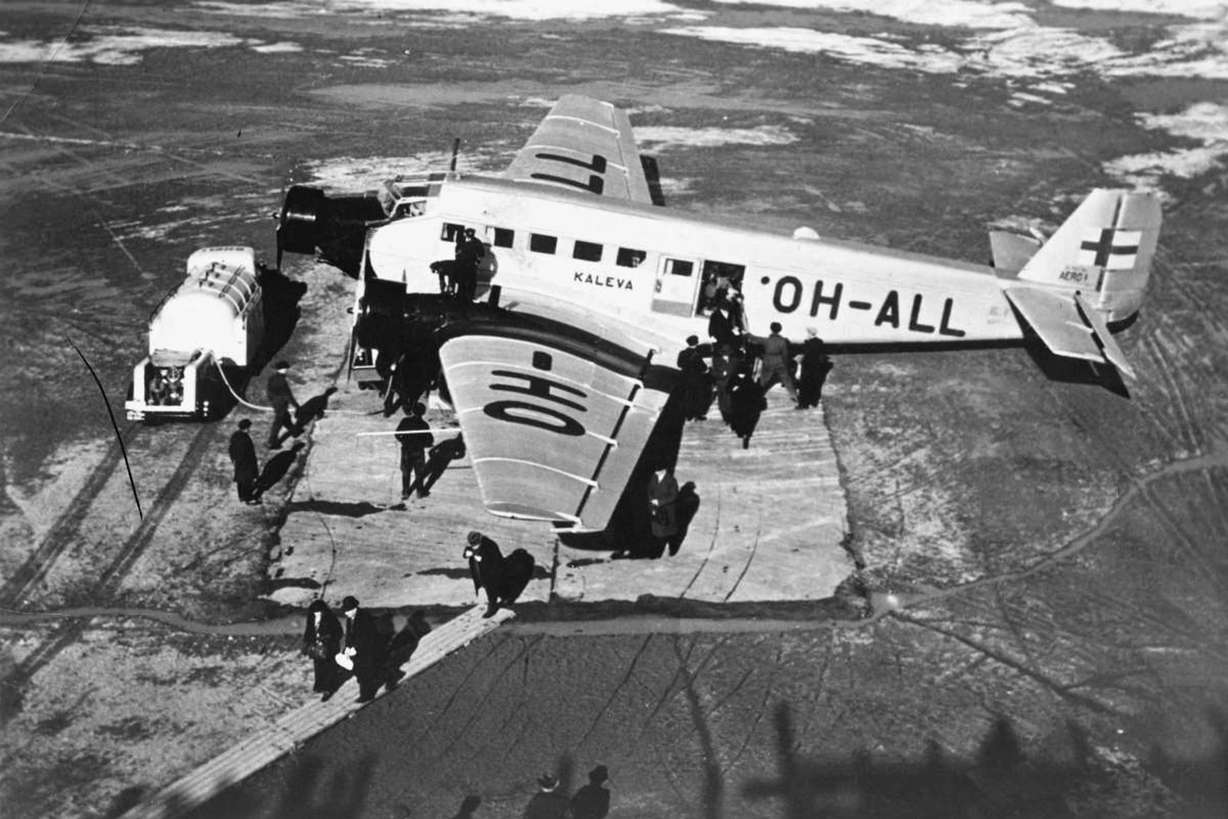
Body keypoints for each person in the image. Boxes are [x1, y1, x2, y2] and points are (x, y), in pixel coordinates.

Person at [341, 595, 391, 703]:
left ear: (354, 608)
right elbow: (349, 636)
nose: (346, 613)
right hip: (358, 651)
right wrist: (347, 648)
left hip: (367, 650)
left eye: (348, 610)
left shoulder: (364, 617)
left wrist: (356, 648)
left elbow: (367, 637)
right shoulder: (350, 619)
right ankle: (368, 690)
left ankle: (366, 695)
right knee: (361, 672)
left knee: (364, 673)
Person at [302, 599, 344, 700]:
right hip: (317, 648)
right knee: (318, 667)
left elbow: (339, 632)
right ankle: (319, 686)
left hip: (330, 648)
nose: (316, 614)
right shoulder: (311, 617)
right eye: (315, 612)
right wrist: (306, 643)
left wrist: (329, 638)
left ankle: (328, 688)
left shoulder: (330, 617)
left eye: (318, 612)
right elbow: (309, 631)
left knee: (329, 668)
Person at [396, 403, 434, 500]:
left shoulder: (405, 421)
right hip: (418, 451)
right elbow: (430, 440)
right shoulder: (424, 425)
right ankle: (419, 492)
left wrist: (404, 441)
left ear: (412, 411)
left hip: (406, 450)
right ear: (423, 413)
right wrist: (424, 444)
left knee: (406, 472)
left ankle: (405, 492)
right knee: (419, 473)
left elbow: (397, 434)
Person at [464, 530, 506, 617]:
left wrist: (482, 559)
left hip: (490, 572)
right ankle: (485, 604)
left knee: (491, 589)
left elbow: (496, 561)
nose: (473, 547)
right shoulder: (472, 542)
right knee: (481, 587)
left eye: (475, 546)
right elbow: (465, 554)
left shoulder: (490, 545)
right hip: (478, 571)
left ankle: (492, 609)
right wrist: (467, 554)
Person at [728, 365, 766, 449]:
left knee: (743, 422)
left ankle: (744, 433)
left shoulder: (736, 379)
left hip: (742, 406)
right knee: (748, 422)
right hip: (748, 406)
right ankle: (746, 434)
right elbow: (760, 391)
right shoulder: (750, 380)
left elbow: (728, 390)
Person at [757, 321, 797, 401]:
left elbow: (755, 340)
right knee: (786, 380)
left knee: (764, 380)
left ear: (771, 329)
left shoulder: (767, 340)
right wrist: (785, 363)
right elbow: (785, 354)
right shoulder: (783, 341)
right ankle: (793, 395)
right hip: (779, 361)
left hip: (768, 360)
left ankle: (758, 395)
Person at [266, 360, 301, 449]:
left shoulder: (272, 378)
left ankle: (295, 432)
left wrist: (273, 401)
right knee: (278, 423)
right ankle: (271, 442)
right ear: (284, 369)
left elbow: (269, 392)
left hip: (275, 403)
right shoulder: (282, 381)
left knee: (286, 418)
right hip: (281, 404)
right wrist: (296, 406)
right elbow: (288, 395)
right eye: (286, 369)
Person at [676, 335, 711, 421]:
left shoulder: (682, 353)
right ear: (696, 343)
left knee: (685, 396)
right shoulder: (697, 354)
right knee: (696, 397)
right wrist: (707, 369)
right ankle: (694, 414)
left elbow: (679, 364)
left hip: (684, 377)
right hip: (695, 378)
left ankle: (686, 414)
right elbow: (703, 368)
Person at [796, 327, 832, 409]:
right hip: (817, 368)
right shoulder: (820, 342)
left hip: (807, 368)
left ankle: (804, 404)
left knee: (805, 386)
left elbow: (805, 355)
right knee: (815, 385)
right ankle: (814, 401)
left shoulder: (807, 343)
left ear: (809, 333)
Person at [228, 418, 261, 504]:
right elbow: (247, 452)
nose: (250, 429)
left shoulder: (235, 435)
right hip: (246, 463)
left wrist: (233, 459)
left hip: (239, 463)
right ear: (246, 428)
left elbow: (231, 448)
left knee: (241, 481)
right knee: (247, 481)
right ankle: (248, 498)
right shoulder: (244, 438)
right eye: (249, 427)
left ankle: (242, 497)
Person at [648, 466, 679, 557]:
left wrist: (660, 502)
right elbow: (650, 490)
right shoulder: (654, 477)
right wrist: (651, 499)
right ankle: (657, 551)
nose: (655, 472)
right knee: (657, 531)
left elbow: (673, 496)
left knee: (667, 531)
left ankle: (670, 549)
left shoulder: (671, 481)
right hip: (656, 509)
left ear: (663, 470)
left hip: (667, 511)